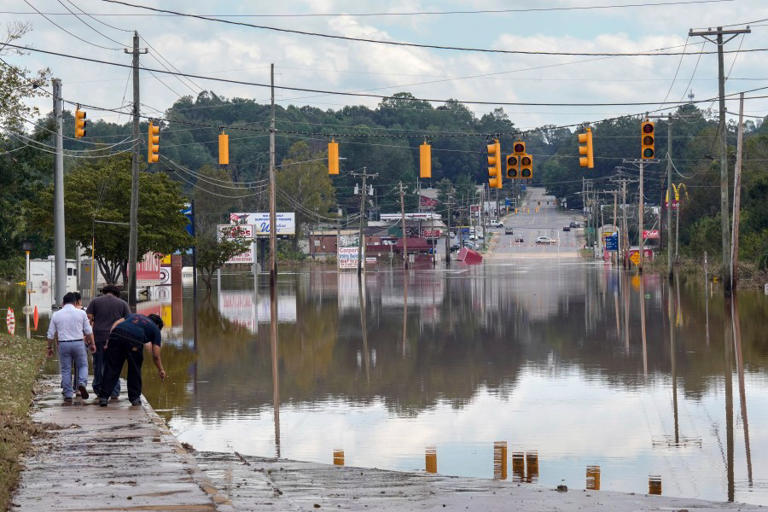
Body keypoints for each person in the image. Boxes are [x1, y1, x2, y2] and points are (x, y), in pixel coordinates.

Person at [98, 313, 166, 407]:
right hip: (135, 339)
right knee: (134, 369)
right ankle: (135, 399)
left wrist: (110, 338)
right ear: (158, 326)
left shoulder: (134, 316)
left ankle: (103, 397)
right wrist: (161, 369)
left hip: (116, 334)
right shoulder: (155, 329)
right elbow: (156, 355)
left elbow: (117, 322)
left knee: (112, 366)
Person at [47, 292, 96, 403]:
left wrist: (49, 347)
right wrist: (92, 344)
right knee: (83, 366)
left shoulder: (56, 314)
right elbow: (88, 331)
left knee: (66, 369)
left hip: (63, 344)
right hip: (79, 343)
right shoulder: (81, 313)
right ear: (75, 303)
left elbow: (50, 334)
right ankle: (82, 383)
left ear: (63, 303)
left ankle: (68, 394)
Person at [86, 284, 130, 399]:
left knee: (98, 364)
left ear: (104, 292)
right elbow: (128, 321)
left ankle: (99, 389)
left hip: (98, 337)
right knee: (114, 365)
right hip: (116, 338)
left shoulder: (95, 302)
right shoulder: (123, 304)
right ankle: (114, 392)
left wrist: (87, 337)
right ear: (116, 293)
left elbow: (88, 319)